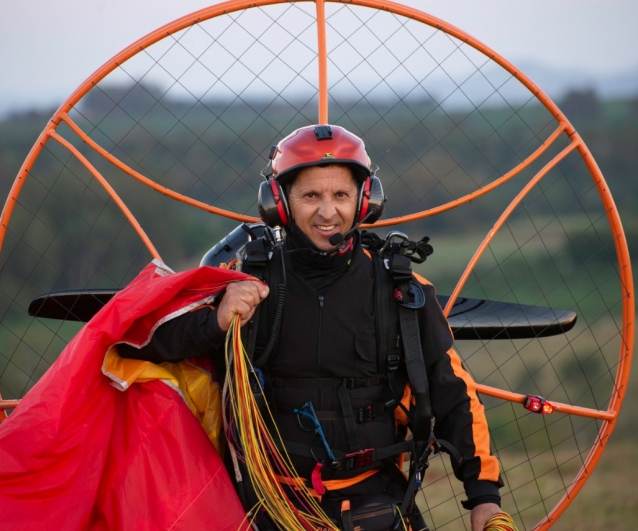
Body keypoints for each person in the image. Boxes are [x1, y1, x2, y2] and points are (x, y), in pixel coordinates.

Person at [120, 124, 503, 530]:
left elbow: (453, 393)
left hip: (378, 505)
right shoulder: (244, 283)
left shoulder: (401, 291)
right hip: (265, 506)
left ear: (364, 199)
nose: (327, 212)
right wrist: (215, 321)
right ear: (279, 204)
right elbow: (139, 342)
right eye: (310, 196)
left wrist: (484, 499)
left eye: (340, 195)